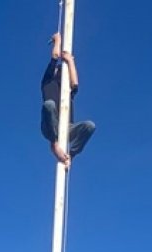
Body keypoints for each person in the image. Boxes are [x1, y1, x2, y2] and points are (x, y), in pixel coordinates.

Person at [41, 32, 96, 168]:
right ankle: (54, 144)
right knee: (49, 105)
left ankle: (69, 155)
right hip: (50, 124)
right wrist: (57, 41)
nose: (57, 70)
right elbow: (55, 57)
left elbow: (75, 83)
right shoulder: (47, 82)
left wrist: (70, 60)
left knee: (89, 126)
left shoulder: (67, 91)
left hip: (67, 127)